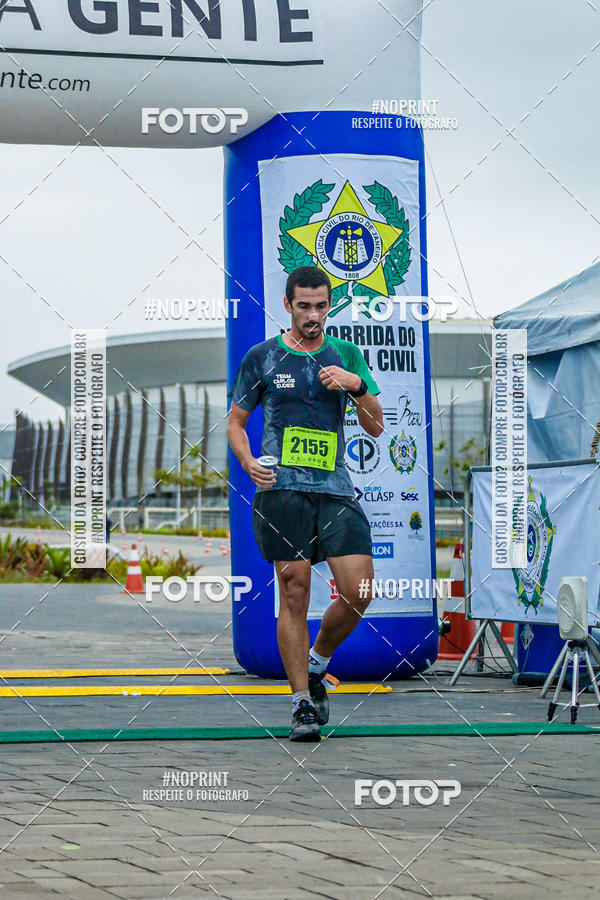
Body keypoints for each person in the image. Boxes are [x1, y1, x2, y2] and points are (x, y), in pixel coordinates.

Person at [226, 266, 384, 741]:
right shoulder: (264, 357)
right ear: (288, 305)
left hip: (334, 490)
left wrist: (356, 387)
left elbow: (376, 426)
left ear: (329, 305)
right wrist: (248, 461)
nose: (313, 315)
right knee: (294, 591)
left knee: (358, 592)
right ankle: (300, 705)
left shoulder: (346, 355)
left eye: (321, 306)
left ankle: (316, 666)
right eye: (304, 306)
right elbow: (234, 421)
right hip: (283, 490)